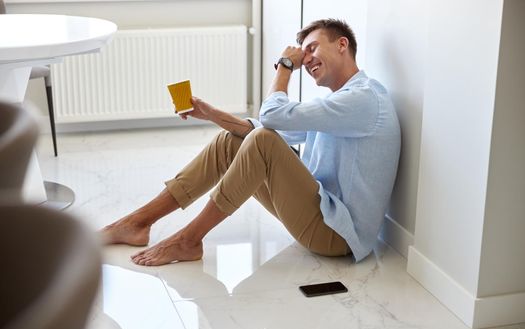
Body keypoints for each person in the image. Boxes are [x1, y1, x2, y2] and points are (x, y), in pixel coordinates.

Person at [101, 18, 401, 266]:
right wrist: (211, 114)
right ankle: (138, 222)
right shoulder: (340, 102)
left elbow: (271, 120)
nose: (306, 60)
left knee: (261, 140)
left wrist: (285, 65)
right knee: (230, 141)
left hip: (337, 236)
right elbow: (270, 130)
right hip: (320, 214)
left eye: (312, 48)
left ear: (342, 44)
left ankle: (188, 240)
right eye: (303, 53)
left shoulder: (364, 99)